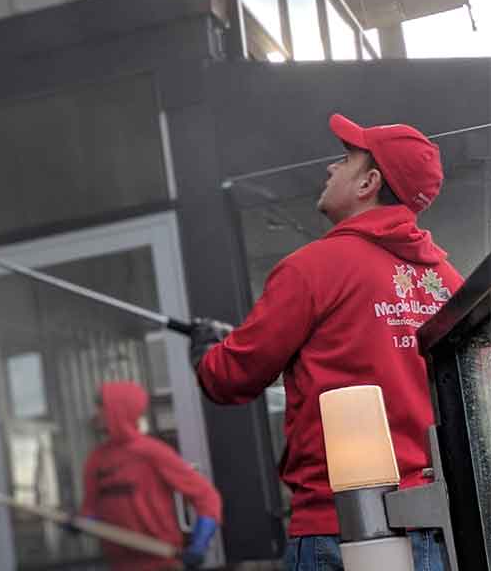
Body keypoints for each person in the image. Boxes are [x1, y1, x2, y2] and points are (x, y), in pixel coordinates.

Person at [187, 114, 463, 571]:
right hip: (438, 529)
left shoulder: (313, 269)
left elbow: (231, 377)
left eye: (346, 159)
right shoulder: (447, 282)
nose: (331, 169)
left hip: (340, 531)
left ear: (368, 183)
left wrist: (206, 352)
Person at [77, 380, 222, 571]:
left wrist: (199, 543)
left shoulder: (152, 453)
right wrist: (81, 523)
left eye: (101, 406)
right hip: (119, 566)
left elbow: (206, 497)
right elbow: (91, 509)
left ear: (118, 410)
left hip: (162, 563)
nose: (96, 413)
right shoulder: (96, 460)